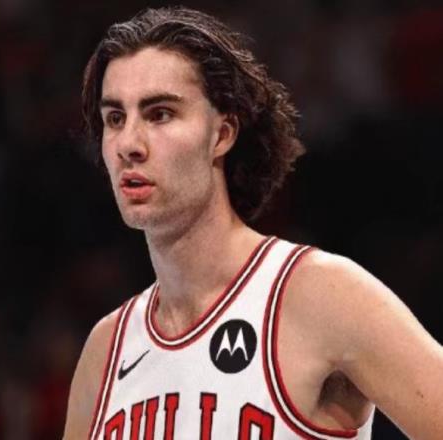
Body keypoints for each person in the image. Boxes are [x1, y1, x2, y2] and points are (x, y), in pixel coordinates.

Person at [64, 7, 443, 440]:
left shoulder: (321, 295)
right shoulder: (106, 350)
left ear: (222, 134)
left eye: (160, 114)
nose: (129, 143)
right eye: (115, 118)